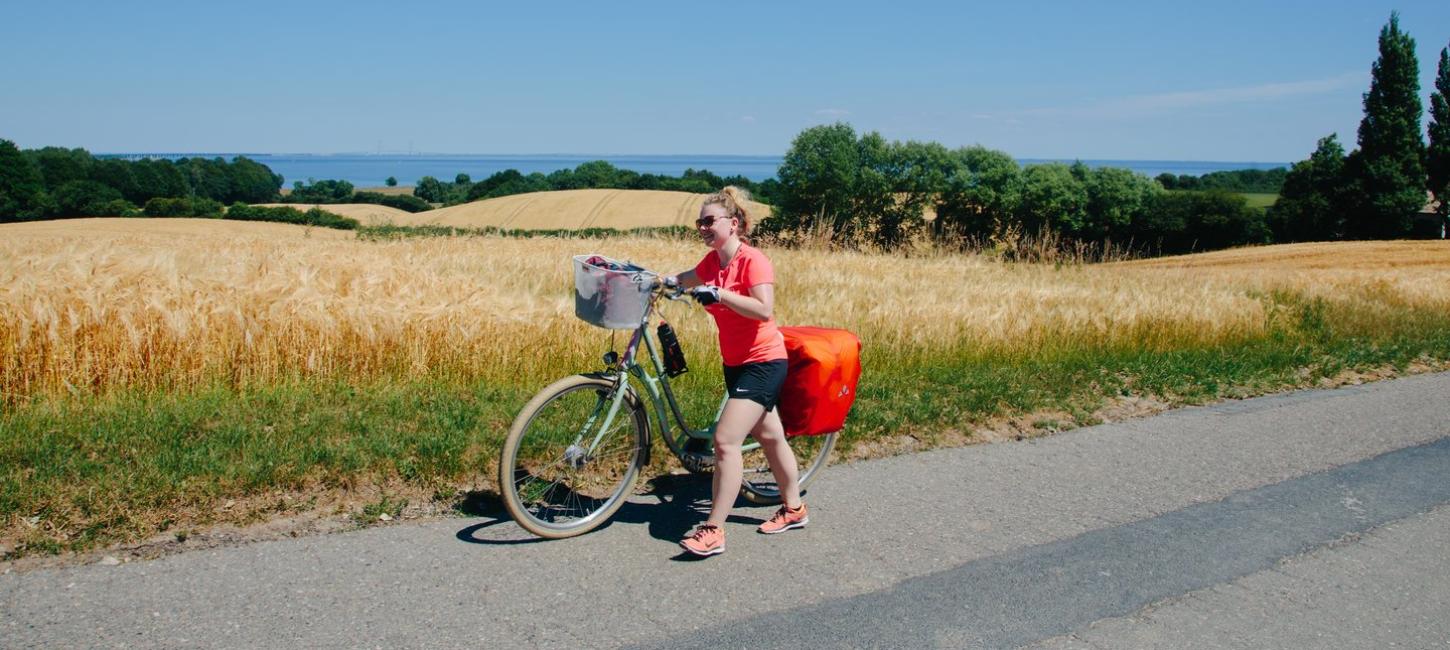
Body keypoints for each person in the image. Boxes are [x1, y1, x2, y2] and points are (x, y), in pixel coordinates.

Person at [663, 186, 808, 557]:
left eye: (710, 221)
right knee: (771, 436)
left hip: (764, 362)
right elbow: (687, 278)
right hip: (736, 364)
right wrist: (661, 281)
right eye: (700, 222)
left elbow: (763, 309)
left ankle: (713, 530)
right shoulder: (712, 262)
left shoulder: (753, 260)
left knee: (726, 442)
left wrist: (720, 295)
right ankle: (794, 509)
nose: (703, 228)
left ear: (735, 223)